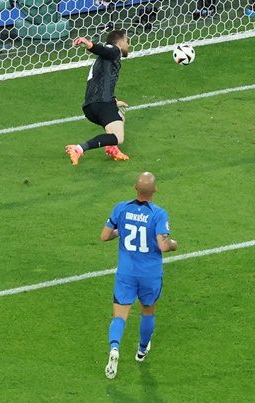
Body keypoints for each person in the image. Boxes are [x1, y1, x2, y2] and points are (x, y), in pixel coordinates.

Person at [101, 172, 178, 380]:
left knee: (119, 315)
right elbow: (163, 245)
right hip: (149, 274)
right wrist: (173, 245)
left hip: (126, 272)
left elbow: (105, 236)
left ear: (135, 187)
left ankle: (115, 348)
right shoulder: (158, 213)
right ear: (155, 190)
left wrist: (121, 233)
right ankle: (142, 351)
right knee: (147, 312)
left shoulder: (121, 208)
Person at [66, 29, 132, 164]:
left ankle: (112, 149)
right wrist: (90, 45)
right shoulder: (114, 51)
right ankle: (79, 148)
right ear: (119, 42)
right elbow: (104, 50)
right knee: (118, 137)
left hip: (90, 106)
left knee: (120, 118)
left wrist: (114, 101)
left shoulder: (101, 61)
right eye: (126, 42)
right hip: (102, 103)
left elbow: (101, 81)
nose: (128, 45)